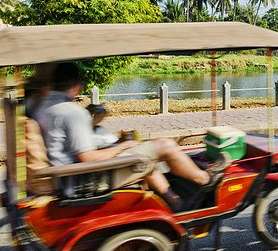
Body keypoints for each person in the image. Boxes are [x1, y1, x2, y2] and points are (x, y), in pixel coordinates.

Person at [34, 62, 224, 208]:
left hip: (70, 178)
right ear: (77, 85)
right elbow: (87, 157)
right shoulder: (72, 112)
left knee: (145, 160)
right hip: (86, 181)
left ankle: (176, 203)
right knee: (165, 145)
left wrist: (115, 144)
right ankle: (204, 179)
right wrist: (123, 146)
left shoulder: (42, 107)